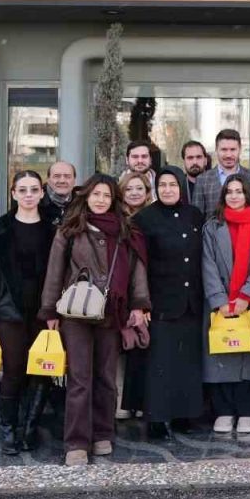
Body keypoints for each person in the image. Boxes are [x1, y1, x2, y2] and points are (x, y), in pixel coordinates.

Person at [40, 174, 150, 466]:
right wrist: (49, 311)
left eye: (106, 195)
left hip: (112, 311)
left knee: (106, 377)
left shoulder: (126, 230)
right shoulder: (70, 228)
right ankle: (76, 442)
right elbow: (54, 270)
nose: (101, 200)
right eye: (96, 194)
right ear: (86, 196)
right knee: (79, 378)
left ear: (114, 200)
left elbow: (137, 270)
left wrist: (139, 304)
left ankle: (103, 434)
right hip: (76, 312)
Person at [0, 170, 58, 454]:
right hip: (9, 313)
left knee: (42, 371)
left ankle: (29, 429)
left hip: (44, 313)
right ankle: (9, 430)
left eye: (34, 189)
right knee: (13, 371)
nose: (29, 195)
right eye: (23, 190)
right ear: (14, 194)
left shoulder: (54, 230)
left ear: (42, 193)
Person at [134, 166, 206, 439]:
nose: (167, 189)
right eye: (162, 185)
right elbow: (138, 264)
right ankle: (158, 417)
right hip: (160, 301)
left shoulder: (194, 214)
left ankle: (183, 415)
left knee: (187, 362)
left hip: (191, 301)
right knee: (160, 362)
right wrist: (142, 302)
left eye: (173, 184)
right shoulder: (144, 218)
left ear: (181, 187)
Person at [202, 174, 250, 435]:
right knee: (221, 356)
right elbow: (207, 263)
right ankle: (223, 411)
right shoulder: (212, 226)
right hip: (219, 304)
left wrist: (247, 295)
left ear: (248, 195)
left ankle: (247, 411)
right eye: (229, 192)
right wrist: (219, 299)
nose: (234, 196)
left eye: (239, 191)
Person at [116, 169, 153, 420]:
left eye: (139, 188)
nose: (134, 193)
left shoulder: (154, 217)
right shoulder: (115, 218)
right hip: (122, 288)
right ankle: (120, 401)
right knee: (122, 346)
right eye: (129, 189)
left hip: (148, 290)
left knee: (143, 345)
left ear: (147, 192)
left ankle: (141, 400)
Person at [193, 129, 250, 216]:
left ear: (240, 150)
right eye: (224, 150)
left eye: (233, 149)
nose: (228, 155)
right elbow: (196, 217)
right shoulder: (202, 180)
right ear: (216, 150)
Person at [180, 141, 208, 206]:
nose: (195, 162)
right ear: (184, 162)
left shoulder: (216, 184)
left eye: (198, 157)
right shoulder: (177, 187)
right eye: (190, 158)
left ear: (205, 161)